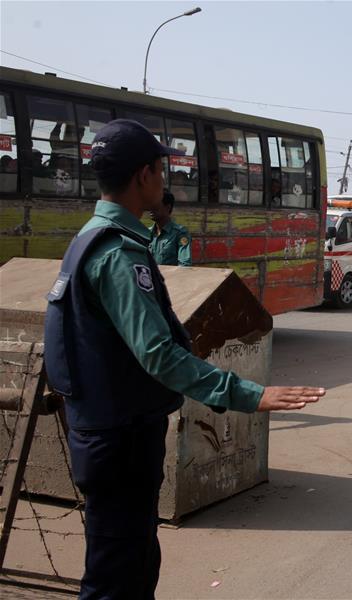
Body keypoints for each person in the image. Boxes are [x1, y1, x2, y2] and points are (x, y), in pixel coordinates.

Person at [43, 119, 326, 599]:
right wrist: (248, 394)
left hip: (107, 433)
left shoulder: (92, 237)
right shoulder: (118, 255)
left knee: (130, 564)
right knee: (116, 578)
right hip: (120, 443)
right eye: (160, 169)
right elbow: (158, 353)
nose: (163, 180)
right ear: (143, 176)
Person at [149, 190, 192, 266]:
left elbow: (184, 265)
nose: (151, 208)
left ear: (167, 207)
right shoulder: (147, 233)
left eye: (155, 205)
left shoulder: (180, 233)